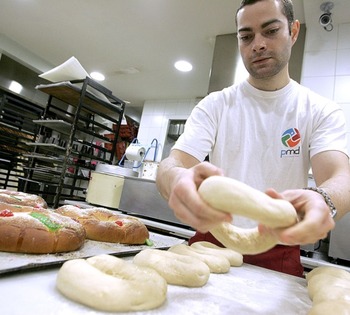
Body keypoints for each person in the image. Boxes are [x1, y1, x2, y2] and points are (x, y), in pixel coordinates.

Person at [156, 0, 350, 277]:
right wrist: (175, 179)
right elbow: (172, 163)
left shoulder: (319, 110)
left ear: (293, 31)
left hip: (280, 247)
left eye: (270, 31)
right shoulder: (215, 105)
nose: (257, 44)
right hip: (212, 243)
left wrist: (325, 200)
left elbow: (341, 177)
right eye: (246, 36)